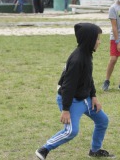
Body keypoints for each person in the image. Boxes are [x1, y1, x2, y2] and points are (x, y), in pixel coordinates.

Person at [35, 23, 115, 160]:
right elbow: (68, 87)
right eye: (97, 39)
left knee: (102, 120)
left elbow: (88, 78)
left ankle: (95, 151)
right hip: (71, 100)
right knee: (71, 131)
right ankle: (44, 149)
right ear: (89, 40)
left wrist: (94, 96)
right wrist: (66, 109)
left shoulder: (87, 54)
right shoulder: (78, 59)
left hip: (85, 98)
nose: (99, 42)